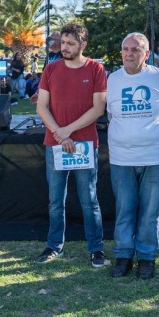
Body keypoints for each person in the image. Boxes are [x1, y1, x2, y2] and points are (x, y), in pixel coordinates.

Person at [106, 32, 159, 280]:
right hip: (121, 157)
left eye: (135, 49)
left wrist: (154, 136)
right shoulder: (113, 79)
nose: (129, 53)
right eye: (125, 49)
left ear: (146, 54)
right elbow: (110, 114)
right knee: (124, 208)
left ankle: (147, 258)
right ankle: (123, 256)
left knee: (150, 211)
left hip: (155, 156)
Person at [34, 23, 106, 267]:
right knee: (55, 200)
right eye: (63, 43)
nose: (64, 47)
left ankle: (96, 248)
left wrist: (68, 131)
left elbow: (98, 108)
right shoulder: (51, 69)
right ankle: (55, 246)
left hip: (85, 144)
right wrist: (60, 134)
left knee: (89, 200)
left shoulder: (95, 68)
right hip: (55, 144)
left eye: (70, 44)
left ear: (82, 45)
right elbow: (41, 106)